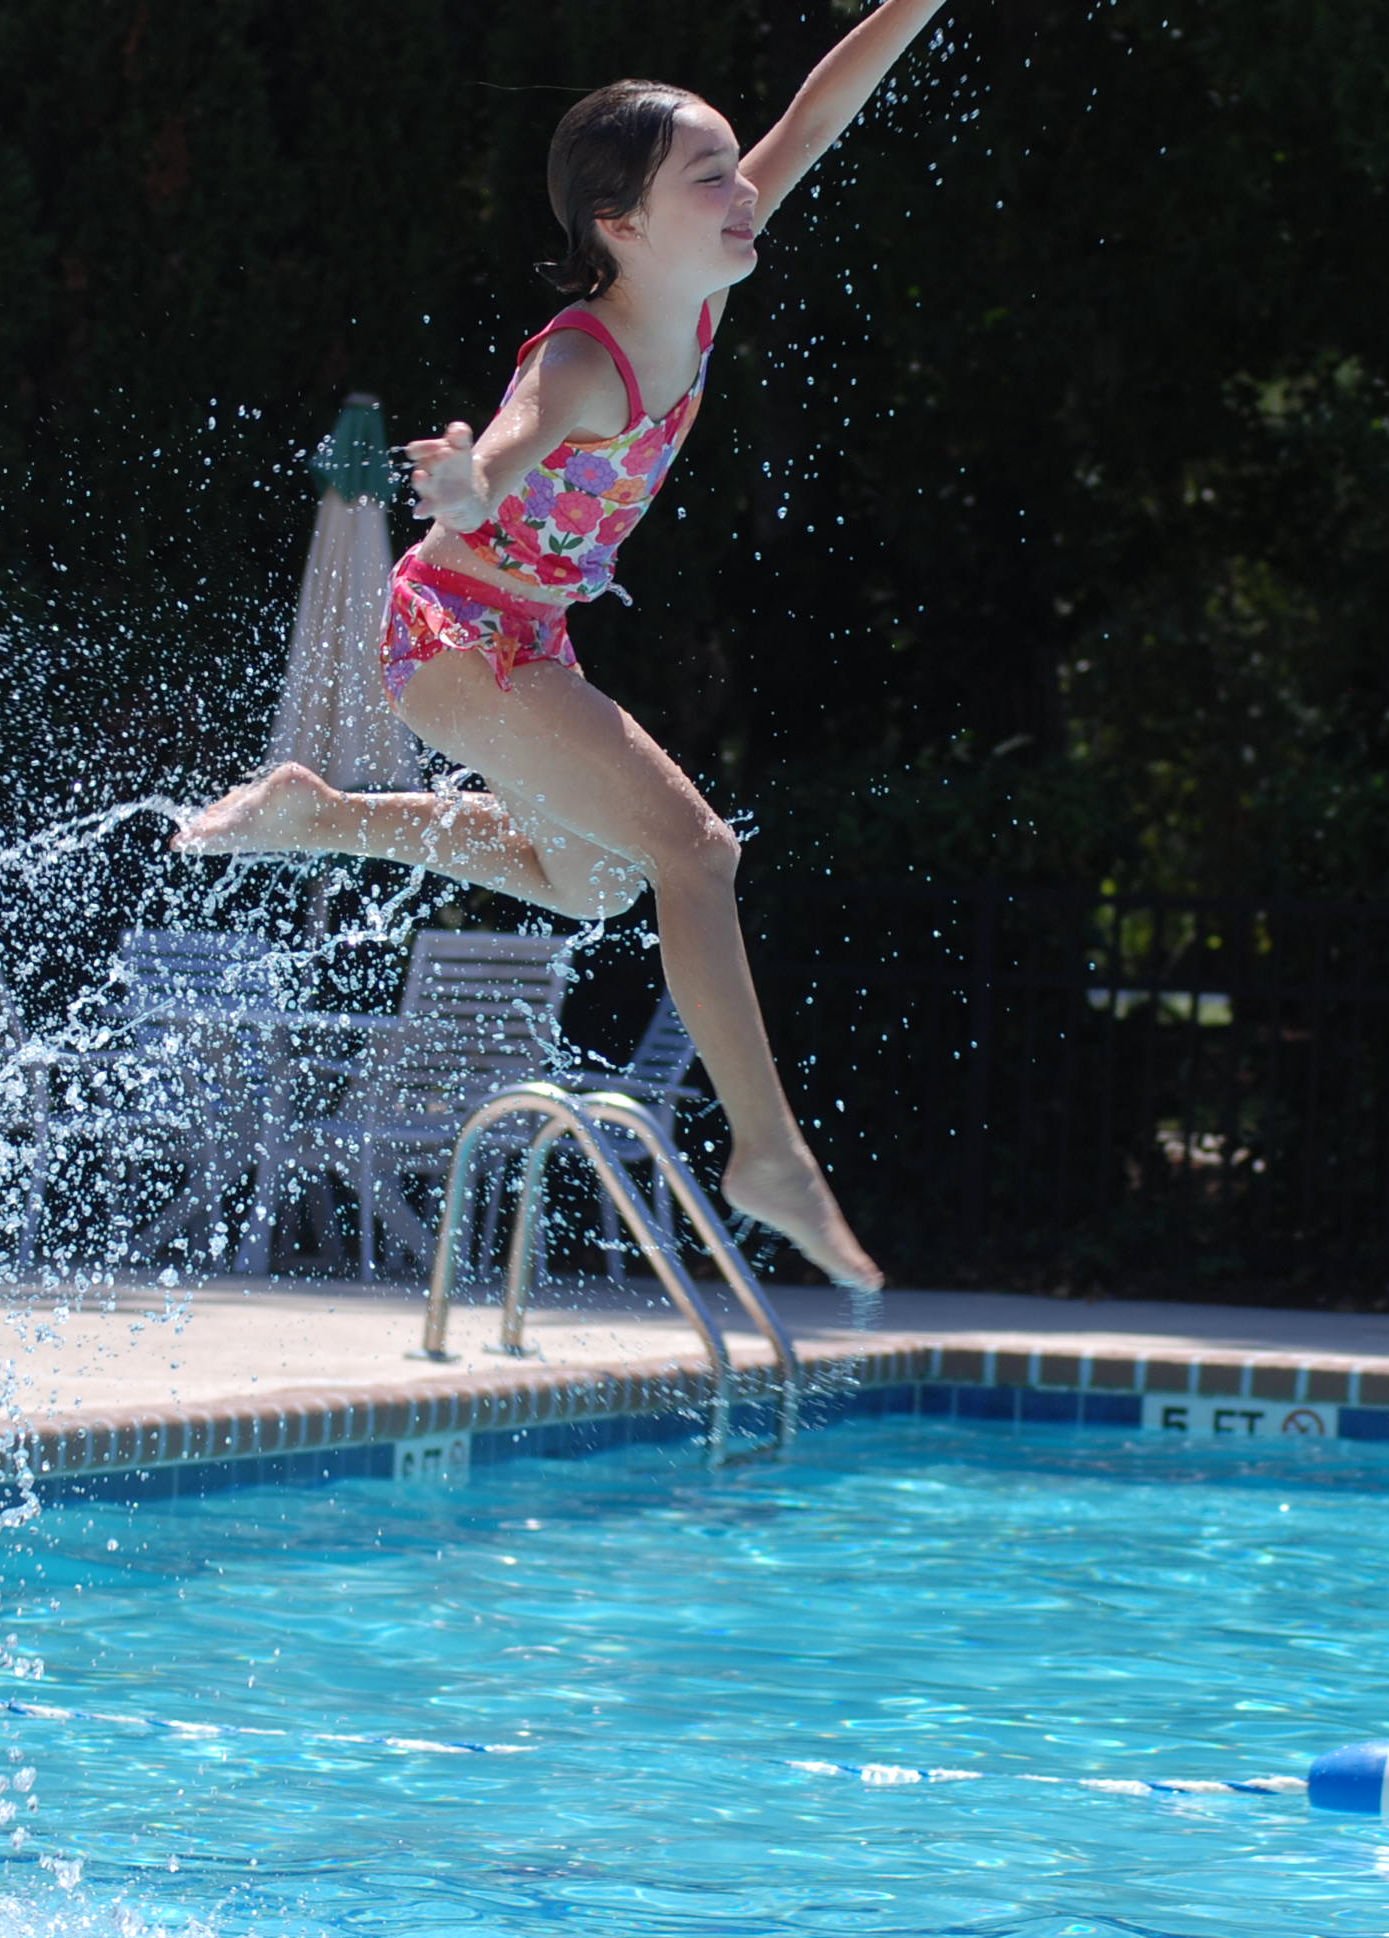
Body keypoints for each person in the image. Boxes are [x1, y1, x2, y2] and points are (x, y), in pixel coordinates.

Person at [176, 0, 952, 1293]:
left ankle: (324, 815)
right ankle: (768, 1155)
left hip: (520, 632)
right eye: (709, 176)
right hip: (454, 631)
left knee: (591, 882)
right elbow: (509, 440)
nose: (741, 185)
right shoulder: (591, 362)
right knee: (694, 853)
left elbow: (820, 109)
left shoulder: (698, 269)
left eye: (732, 168)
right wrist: (470, 487)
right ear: (621, 224)